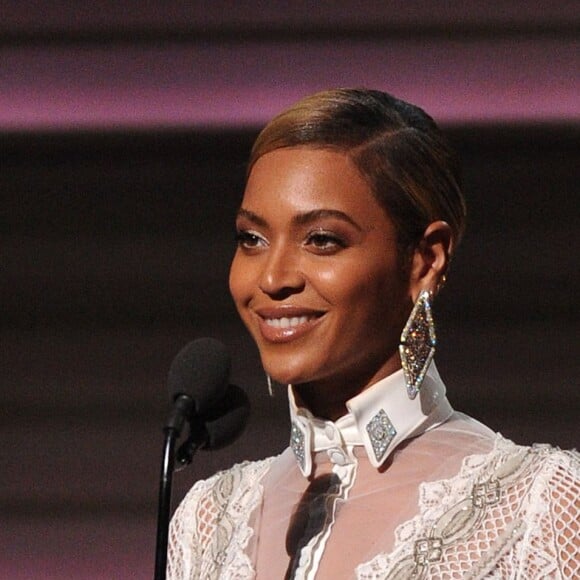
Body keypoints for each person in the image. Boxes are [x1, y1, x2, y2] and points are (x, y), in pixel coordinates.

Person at [167, 89, 579, 579]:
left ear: (425, 260)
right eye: (251, 239)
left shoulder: (540, 506)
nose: (273, 278)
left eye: (322, 240)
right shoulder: (207, 520)